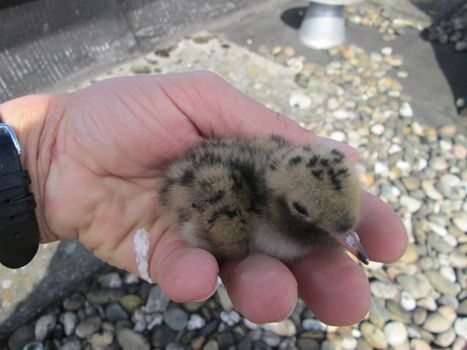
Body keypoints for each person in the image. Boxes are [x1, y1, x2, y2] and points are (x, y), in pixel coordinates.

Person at [0, 71, 407, 325]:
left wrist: (42, 150)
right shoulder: (232, 208)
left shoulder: (285, 186)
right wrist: (45, 149)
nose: (352, 240)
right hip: (217, 196)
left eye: (346, 227)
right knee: (229, 242)